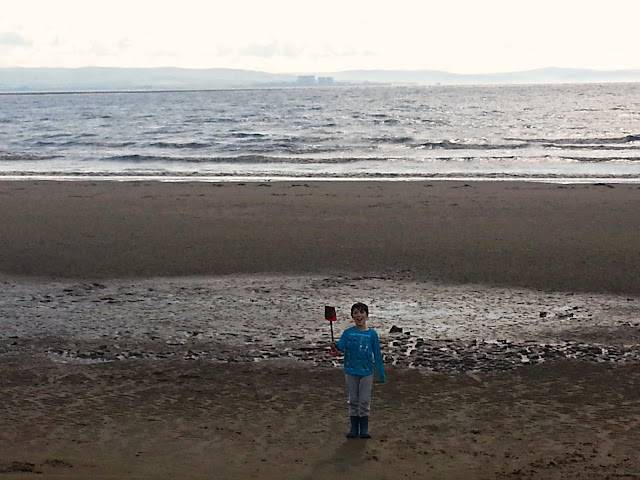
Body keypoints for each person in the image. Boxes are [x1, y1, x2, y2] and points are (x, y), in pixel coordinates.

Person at [330, 302, 386, 439]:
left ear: (367, 315)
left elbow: (377, 354)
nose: (359, 315)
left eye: (361, 312)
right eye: (355, 313)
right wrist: (335, 346)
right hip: (350, 370)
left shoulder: (372, 334)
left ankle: (364, 429)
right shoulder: (348, 333)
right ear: (352, 316)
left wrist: (381, 374)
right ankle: (354, 428)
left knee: (364, 401)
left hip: (367, 372)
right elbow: (340, 347)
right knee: (353, 400)